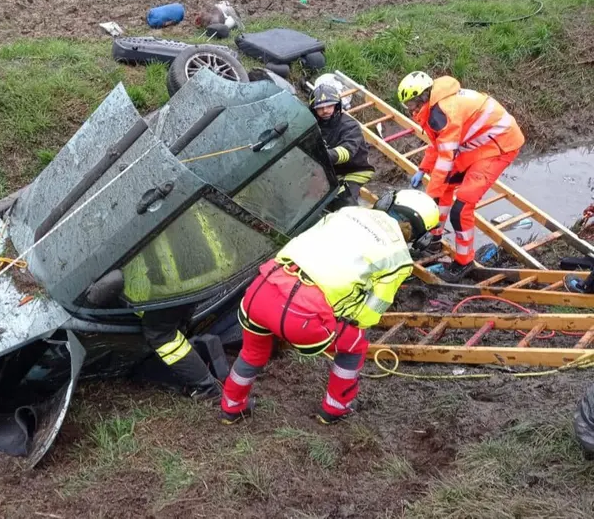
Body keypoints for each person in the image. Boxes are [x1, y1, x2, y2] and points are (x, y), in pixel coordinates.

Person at [219, 189, 439, 425]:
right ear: (420, 235)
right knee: (354, 345)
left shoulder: (347, 213)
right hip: (301, 316)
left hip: (262, 288)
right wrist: (344, 314)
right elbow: (369, 313)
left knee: (252, 352)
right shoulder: (399, 259)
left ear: (386, 202)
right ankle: (336, 408)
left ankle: (232, 407)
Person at [397, 72, 525, 282]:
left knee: (462, 207)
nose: (410, 109)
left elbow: (446, 159)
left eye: (411, 104)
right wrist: (423, 167)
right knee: (444, 187)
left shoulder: (444, 113)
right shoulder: (433, 105)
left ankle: (464, 262)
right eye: (406, 105)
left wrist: (429, 199)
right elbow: (439, 145)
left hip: (500, 145)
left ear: (422, 97)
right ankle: (434, 238)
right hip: (477, 142)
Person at [308, 83, 375, 210]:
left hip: (354, 170)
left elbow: (347, 151)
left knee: (344, 202)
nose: (325, 110)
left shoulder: (349, 125)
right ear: (313, 110)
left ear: (337, 105)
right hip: (331, 172)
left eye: (329, 105)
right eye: (320, 107)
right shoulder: (312, 126)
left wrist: (325, 155)